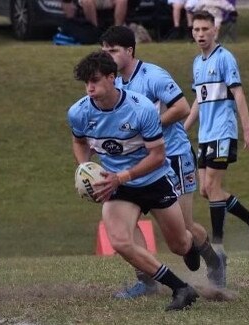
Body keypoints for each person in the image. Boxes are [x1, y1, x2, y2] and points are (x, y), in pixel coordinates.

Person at [68, 51, 201, 311]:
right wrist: (85, 168)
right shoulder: (79, 112)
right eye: (86, 83)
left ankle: (190, 244)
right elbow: (79, 141)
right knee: (119, 240)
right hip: (118, 186)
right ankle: (181, 288)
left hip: (154, 179)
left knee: (179, 244)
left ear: (112, 77)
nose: (90, 88)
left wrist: (122, 177)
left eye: (95, 80)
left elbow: (158, 156)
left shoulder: (141, 109)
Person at [100, 25, 226, 299]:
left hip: (173, 156)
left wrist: (148, 126)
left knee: (185, 230)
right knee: (125, 222)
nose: (107, 56)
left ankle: (214, 261)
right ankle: (146, 281)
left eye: (113, 50)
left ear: (129, 51)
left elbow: (181, 107)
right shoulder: (115, 83)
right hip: (139, 164)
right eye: (104, 51)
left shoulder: (152, 75)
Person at [184, 11, 249, 259]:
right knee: (205, 190)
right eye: (196, 29)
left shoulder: (225, 59)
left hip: (223, 131)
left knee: (213, 186)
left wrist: (248, 129)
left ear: (215, 31)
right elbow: (199, 101)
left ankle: (219, 247)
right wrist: (184, 128)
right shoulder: (197, 63)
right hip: (206, 134)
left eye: (205, 29)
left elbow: (239, 94)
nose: (200, 34)